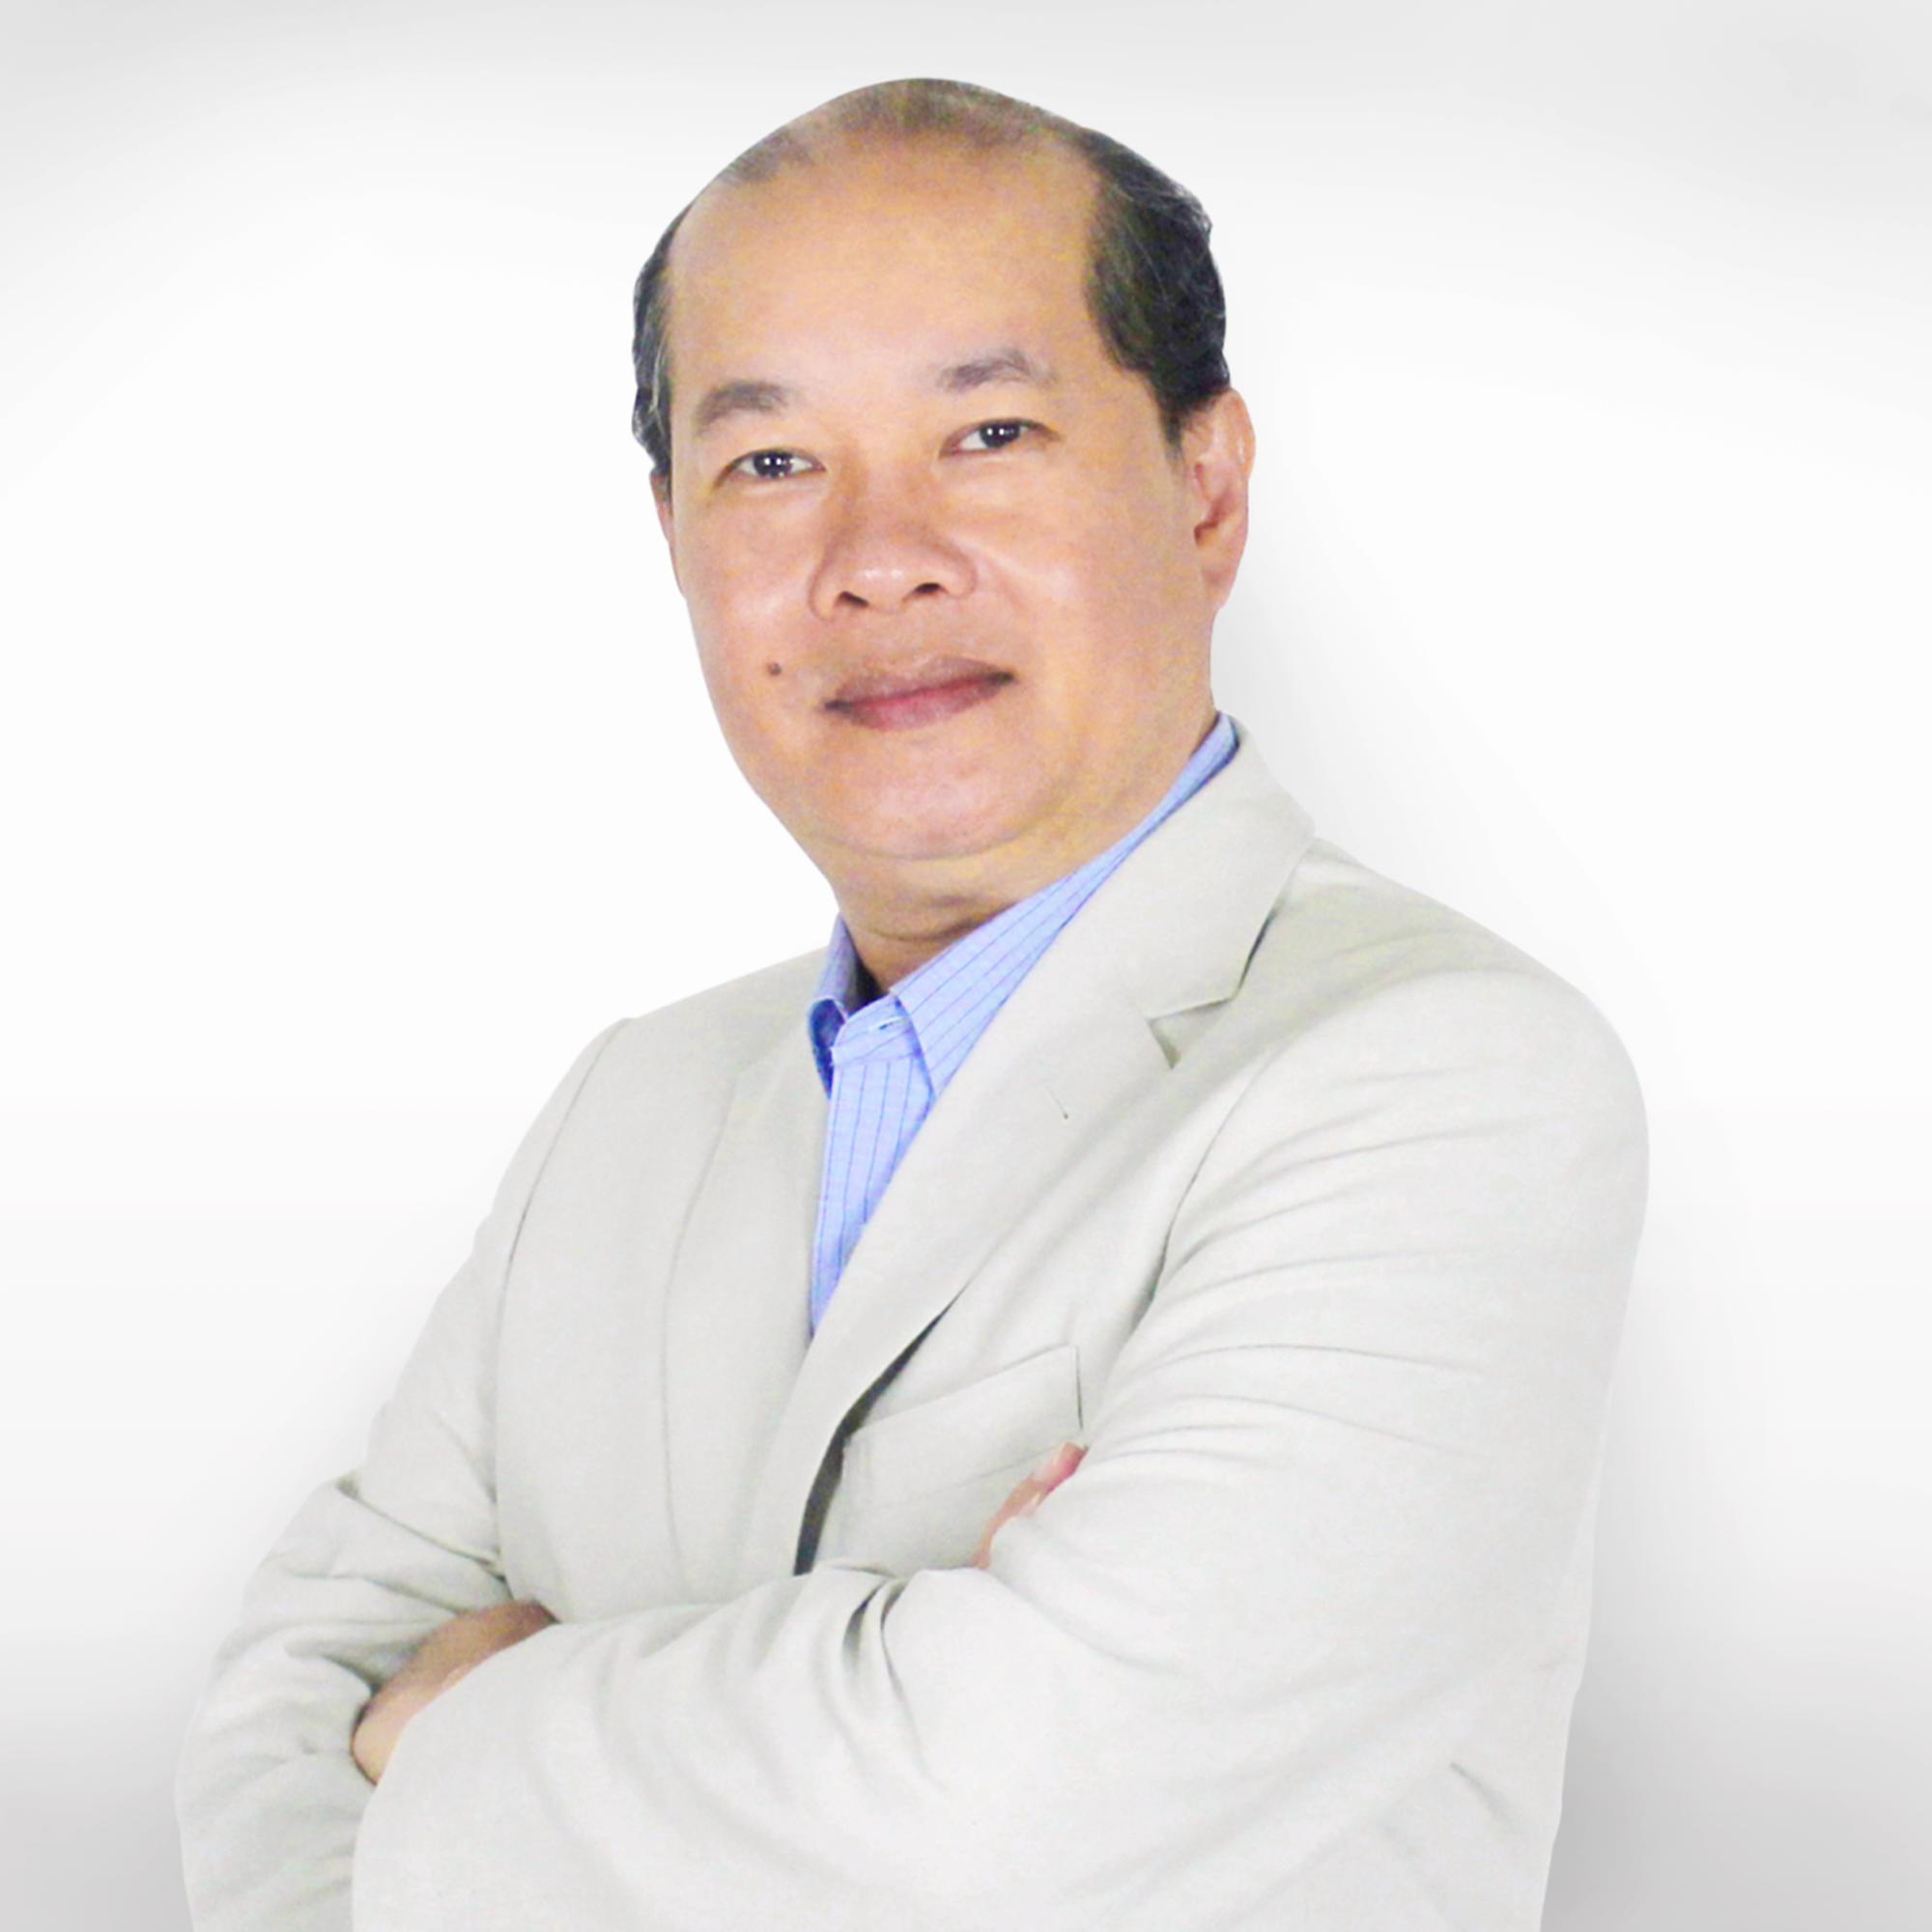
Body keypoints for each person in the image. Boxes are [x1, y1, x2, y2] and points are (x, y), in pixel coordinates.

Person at [177, 77, 1646, 1932]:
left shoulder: (1447, 1083)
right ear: (674, 534)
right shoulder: (631, 1105)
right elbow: (274, 1728)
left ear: (1205, 486)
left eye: (991, 431)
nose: (878, 556)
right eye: (771, 465)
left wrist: (453, 1721)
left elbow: (991, 1819)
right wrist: (897, 1686)